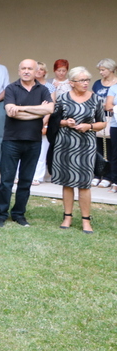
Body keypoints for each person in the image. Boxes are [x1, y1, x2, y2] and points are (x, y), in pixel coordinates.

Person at [0, 59, 53, 227]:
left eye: (30, 68)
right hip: (12, 140)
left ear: (36, 71)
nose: (26, 71)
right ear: (19, 71)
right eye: (23, 68)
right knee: (6, 180)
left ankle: (19, 214)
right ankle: (1, 215)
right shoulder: (11, 88)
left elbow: (49, 109)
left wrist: (21, 108)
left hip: (34, 141)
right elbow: (11, 113)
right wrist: (37, 110)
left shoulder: (43, 89)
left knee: (26, 181)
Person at [53, 67, 106, 234]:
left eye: (87, 80)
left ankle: (86, 220)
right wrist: (65, 122)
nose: (85, 83)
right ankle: (67, 217)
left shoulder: (96, 99)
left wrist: (89, 126)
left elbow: (102, 123)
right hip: (65, 144)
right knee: (67, 182)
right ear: (71, 83)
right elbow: (55, 120)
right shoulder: (62, 98)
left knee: (84, 184)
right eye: (81, 80)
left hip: (86, 145)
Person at [90, 58, 116, 188]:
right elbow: (93, 99)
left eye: (103, 70)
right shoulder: (97, 84)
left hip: (112, 118)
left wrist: (107, 105)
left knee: (111, 148)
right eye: (100, 70)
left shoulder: (116, 84)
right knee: (98, 147)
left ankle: (109, 176)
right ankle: (97, 174)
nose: (101, 72)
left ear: (111, 69)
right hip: (99, 118)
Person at [32, 61, 56, 185]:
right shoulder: (28, 85)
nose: (38, 71)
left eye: (41, 69)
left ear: (45, 72)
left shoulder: (50, 87)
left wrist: (42, 122)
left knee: (41, 151)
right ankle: (21, 175)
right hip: (28, 122)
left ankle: (38, 176)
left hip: (44, 122)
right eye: (36, 69)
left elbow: (50, 107)